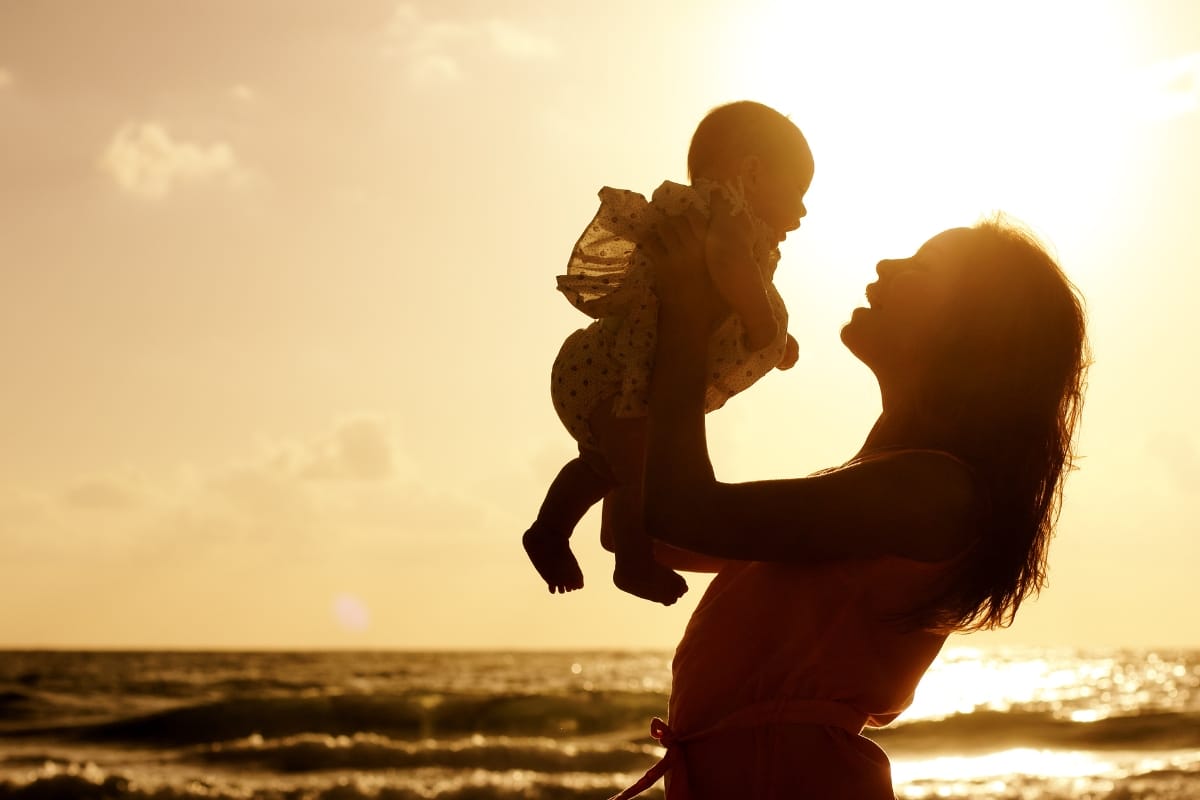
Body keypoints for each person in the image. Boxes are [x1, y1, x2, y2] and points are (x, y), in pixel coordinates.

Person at [606, 211, 1089, 798]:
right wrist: (640, 351)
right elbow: (647, 528)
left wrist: (687, 313)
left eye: (924, 267)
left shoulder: (930, 490)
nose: (889, 264)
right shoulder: (877, 483)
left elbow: (681, 511)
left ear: (977, 328)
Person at [523, 101, 815, 605]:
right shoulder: (723, 214)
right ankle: (633, 563)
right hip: (614, 371)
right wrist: (763, 326)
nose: (804, 209)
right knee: (636, 467)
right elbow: (727, 270)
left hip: (603, 371)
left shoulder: (726, 222)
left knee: (607, 466)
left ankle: (549, 530)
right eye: (798, 190)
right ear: (751, 170)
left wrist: (773, 341)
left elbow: (720, 304)